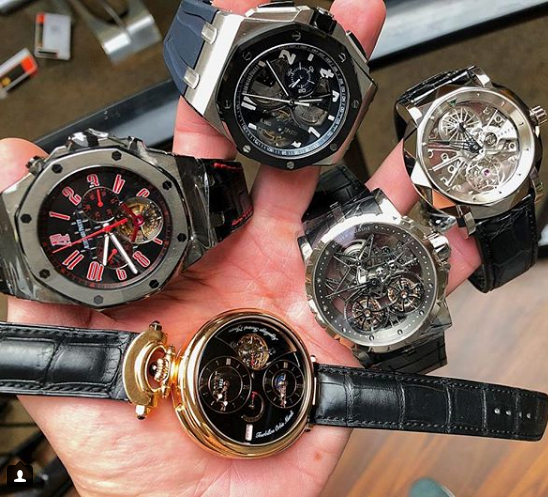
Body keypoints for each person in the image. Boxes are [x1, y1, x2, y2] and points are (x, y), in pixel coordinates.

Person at [0, 0, 480, 495]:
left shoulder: (195, 216)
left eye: (110, 225)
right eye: (99, 232)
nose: (107, 229)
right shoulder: (41, 269)